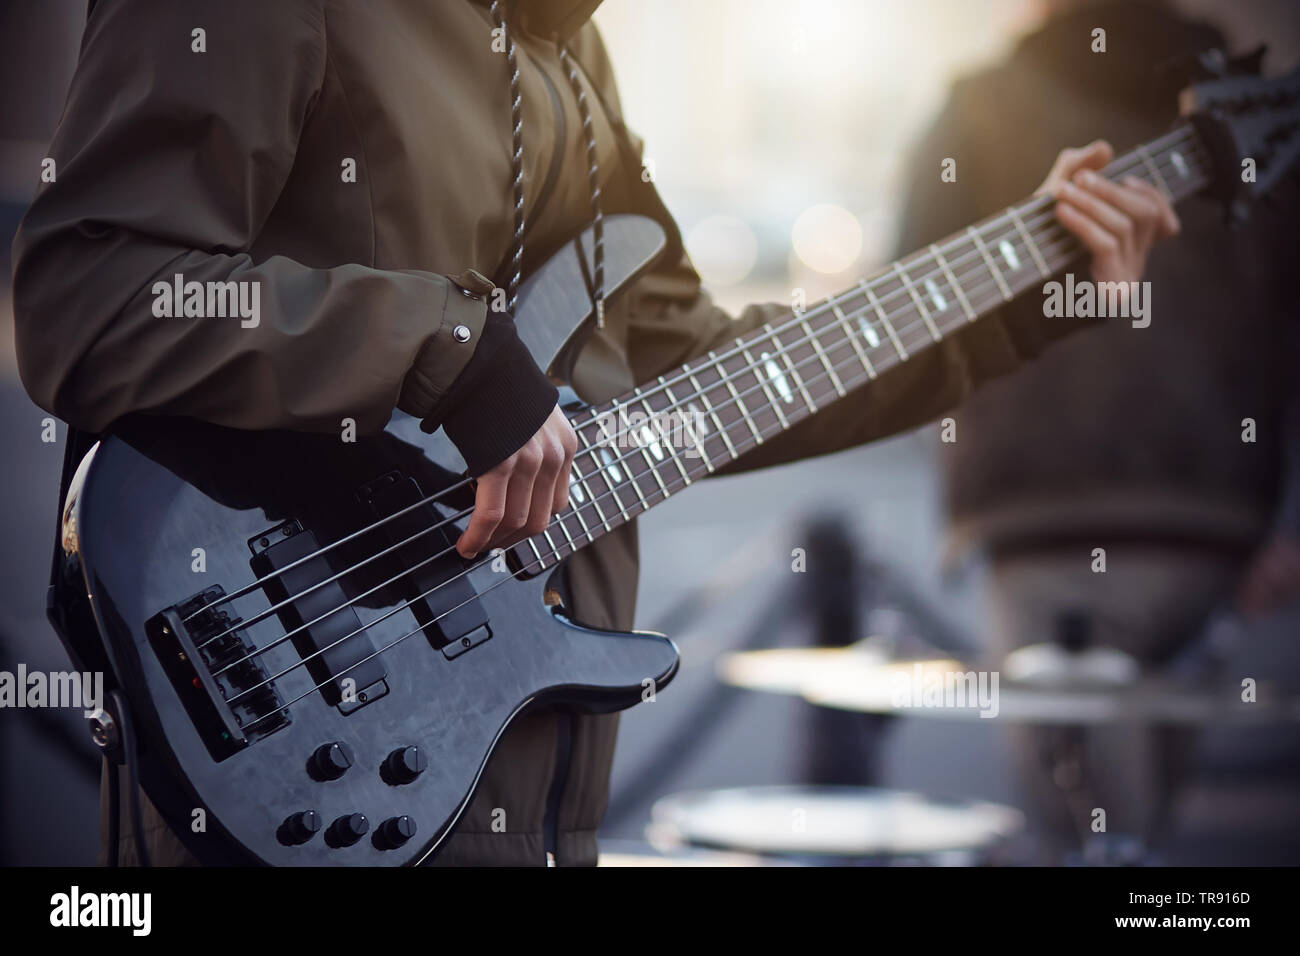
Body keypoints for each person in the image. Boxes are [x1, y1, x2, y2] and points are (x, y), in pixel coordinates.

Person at [11, 0, 1177, 866]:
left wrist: (1014, 294)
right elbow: (92, 295)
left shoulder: (567, 49)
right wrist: (438, 348)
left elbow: (685, 370)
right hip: (289, 741)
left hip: (521, 777)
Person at [895, 0, 1299, 859]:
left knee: (1083, 838)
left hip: (1041, 530)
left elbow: (902, 316)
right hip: (1219, 532)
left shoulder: (979, 107)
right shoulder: (1256, 111)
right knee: (1137, 837)